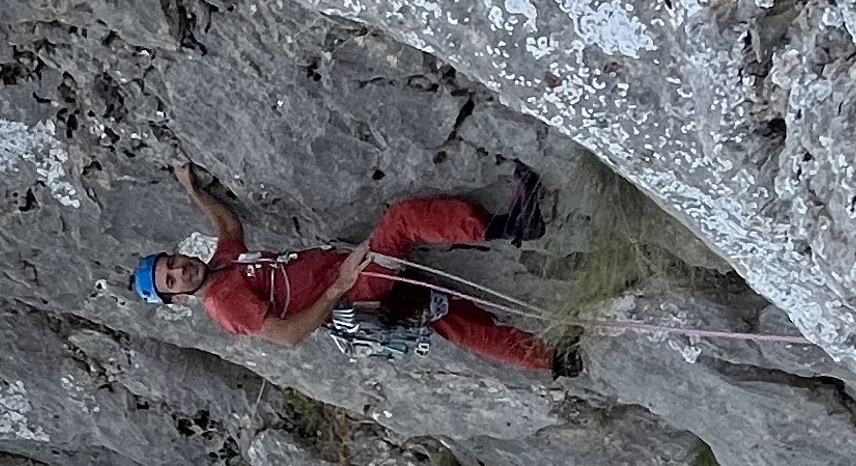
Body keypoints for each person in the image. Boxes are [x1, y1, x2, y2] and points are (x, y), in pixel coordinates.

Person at [134, 160, 568, 375]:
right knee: (402, 222)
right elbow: (288, 336)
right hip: (354, 290)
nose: (180, 271)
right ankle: (511, 226)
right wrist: (338, 285)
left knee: (449, 316)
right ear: (175, 298)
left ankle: (552, 361)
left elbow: (229, 226)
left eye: (172, 263)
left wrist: (194, 192)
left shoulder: (222, 264)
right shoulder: (225, 304)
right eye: (171, 280)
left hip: (351, 286)